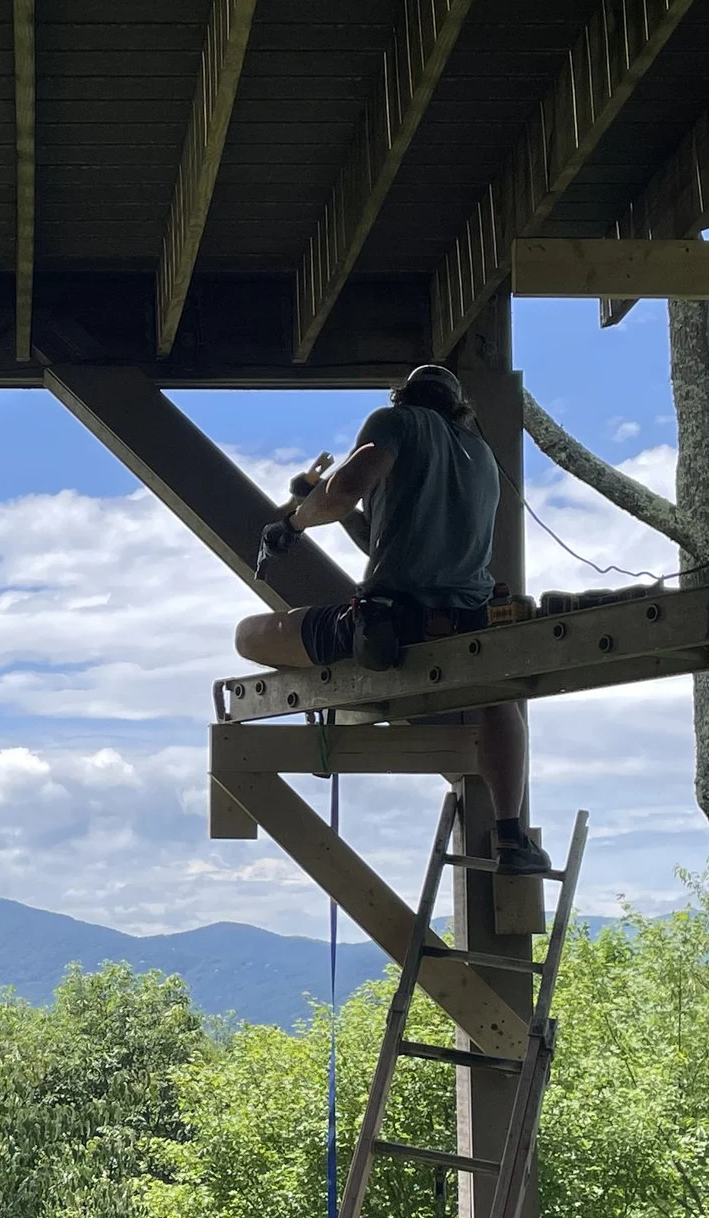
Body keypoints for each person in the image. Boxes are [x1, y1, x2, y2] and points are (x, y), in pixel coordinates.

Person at [233, 362, 550, 874]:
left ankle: (331, 689)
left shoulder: (397, 422)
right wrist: (322, 506)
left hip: (392, 622)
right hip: (469, 618)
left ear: (403, 397)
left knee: (249, 636)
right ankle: (512, 836)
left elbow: (345, 487)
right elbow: (387, 541)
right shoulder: (480, 454)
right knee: (499, 697)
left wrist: (293, 523)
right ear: (458, 407)